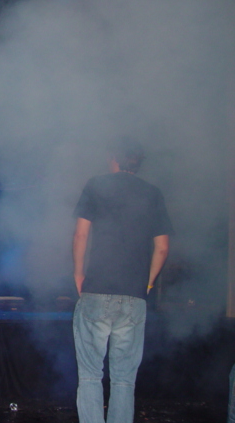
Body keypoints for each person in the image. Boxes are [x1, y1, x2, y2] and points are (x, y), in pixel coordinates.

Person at [71, 136, 173, 423]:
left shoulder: (96, 185)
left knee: (90, 376)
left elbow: (80, 234)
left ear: (114, 157)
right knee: (124, 380)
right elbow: (162, 248)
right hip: (134, 297)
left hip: (96, 290)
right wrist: (147, 283)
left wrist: (78, 272)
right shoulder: (153, 193)